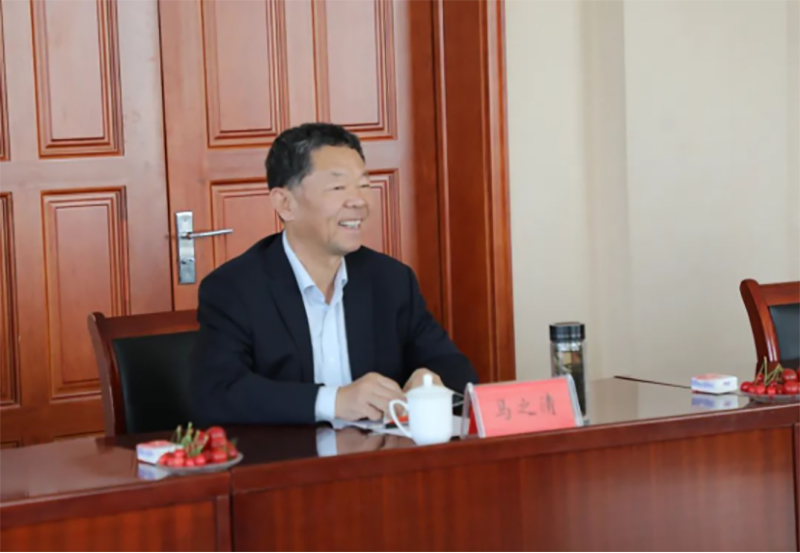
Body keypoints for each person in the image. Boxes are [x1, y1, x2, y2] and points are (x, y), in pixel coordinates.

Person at [191, 123, 477, 426]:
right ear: (285, 203)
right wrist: (334, 401)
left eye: (364, 185)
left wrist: (430, 379)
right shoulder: (234, 288)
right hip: (288, 455)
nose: (359, 201)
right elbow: (217, 394)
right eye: (338, 188)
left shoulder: (391, 280)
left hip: (379, 452)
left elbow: (455, 367)